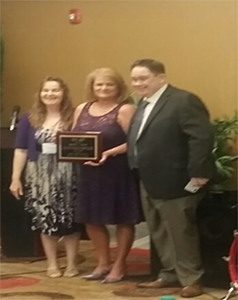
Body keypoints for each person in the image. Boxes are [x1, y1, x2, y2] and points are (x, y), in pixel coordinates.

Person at [127, 59, 215, 297]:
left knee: (180, 232)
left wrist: (198, 172)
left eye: (143, 78)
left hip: (176, 179)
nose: (138, 83)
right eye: (134, 79)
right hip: (148, 178)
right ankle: (169, 274)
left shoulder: (183, 100)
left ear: (161, 78)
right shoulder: (144, 104)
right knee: (159, 231)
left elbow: (201, 137)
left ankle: (192, 280)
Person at [72, 68, 143, 283]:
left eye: (108, 85)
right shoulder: (81, 108)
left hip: (116, 171)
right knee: (91, 219)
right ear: (92, 87)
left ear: (118, 87)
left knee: (122, 218)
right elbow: (72, 137)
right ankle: (103, 263)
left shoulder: (125, 109)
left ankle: (120, 265)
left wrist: (108, 153)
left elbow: (135, 141)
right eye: (99, 85)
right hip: (88, 172)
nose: (103, 88)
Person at [9, 76, 80, 278]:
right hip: (39, 174)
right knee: (44, 218)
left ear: (64, 93)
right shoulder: (29, 118)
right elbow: (21, 150)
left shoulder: (74, 116)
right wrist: (15, 177)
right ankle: (52, 264)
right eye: (46, 91)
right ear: (40, 94)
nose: (50, 94)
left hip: (69, 173)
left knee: (71, 218)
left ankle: (72, 264)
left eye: (55, 90)